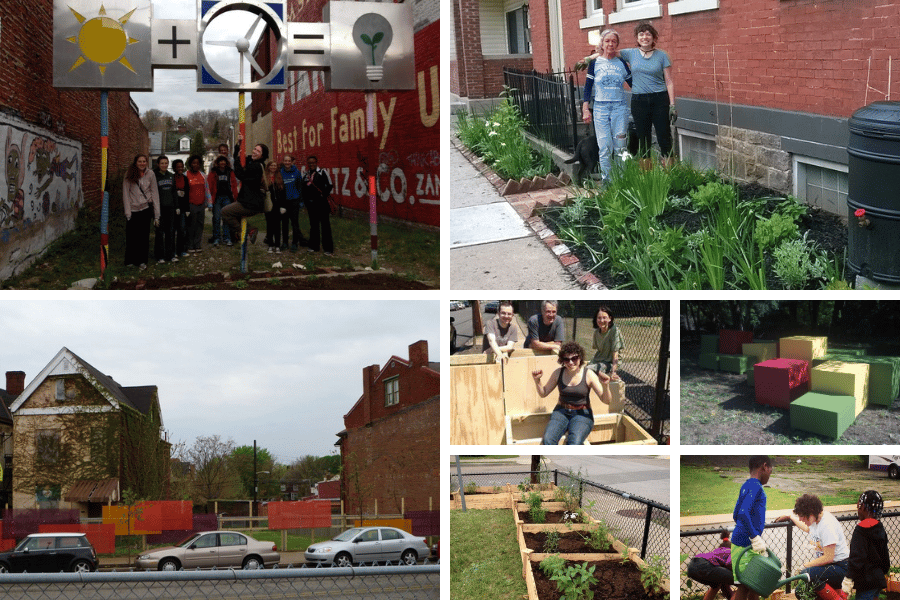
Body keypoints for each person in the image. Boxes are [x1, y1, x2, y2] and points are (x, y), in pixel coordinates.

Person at [617, 23, 676, 168]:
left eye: (648, 34)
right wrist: (589, 58)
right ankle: (647, 178)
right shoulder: (630, 53)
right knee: (643, 138)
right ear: (637, 38)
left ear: (653, 37)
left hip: (660, 100)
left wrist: (673, 105)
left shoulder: (662, 56)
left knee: (664, 137)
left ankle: (671, 175)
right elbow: (609, 51)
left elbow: (669, 81)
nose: (645, 37)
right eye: (641, 34)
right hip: (639, 101)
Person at [532, 341, 611, 445]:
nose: (570, 362)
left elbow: (606, 400)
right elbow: (544, 393)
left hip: (582, 414)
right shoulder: (558, 373)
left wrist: (606, 386)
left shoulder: (588, 374)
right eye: (566, 359)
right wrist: (537, 381)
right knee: (547, 440)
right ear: (562, 360)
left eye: (574, 358)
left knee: (574, 443)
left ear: (580, 358)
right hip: (561, 412)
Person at [774, 494, 850, 599]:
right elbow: (807, 528)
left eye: (803, 517)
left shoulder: (827, 525)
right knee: (800, 591)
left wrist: (806, 566)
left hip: (840, 566)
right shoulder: (815, 520)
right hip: (829, 566)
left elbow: (829, 557)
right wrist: (791, 517)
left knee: (808, 573)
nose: (801, 519)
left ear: (811, 513)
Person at [581, 29, 631, 184]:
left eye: (614, 41)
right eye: (607, 41)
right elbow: (588, 87)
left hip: (619, 108)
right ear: (601, 43)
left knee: (620, 147)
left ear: (617, 44)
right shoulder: (595, 63)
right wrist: (585, 109)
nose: (610, 44)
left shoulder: (621, 63)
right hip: (601, 109)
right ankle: (607, 182)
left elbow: (633, 82)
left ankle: (621, 181)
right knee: (605, 147)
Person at [731, 456, 773, 600]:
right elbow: (742, 513)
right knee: (746, 585)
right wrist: (754, 536)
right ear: (765, 466)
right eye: (770, 471)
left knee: (753, 584)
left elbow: (736, 514)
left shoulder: (746, 485)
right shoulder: (756, 486)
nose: (769, 475)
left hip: (741, 541)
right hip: (746, 544)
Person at [842, 490, 889, 600]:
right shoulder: (879, 527)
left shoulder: (861, 530)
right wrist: (884, 572)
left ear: (863, 507)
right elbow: (885, 555)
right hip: (878, 579)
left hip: (866, 582)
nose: (858, 509)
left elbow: (857, 558)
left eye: (858, 505)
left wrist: (848, 579)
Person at [222, 133, 267, 244]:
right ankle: (247, 231)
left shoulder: (256, 166)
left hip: (250, 203)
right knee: (234, 215)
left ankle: (248, 231)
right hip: (247, 201)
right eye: (255, 149)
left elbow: (240, 175)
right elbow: (236, 155)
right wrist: (239, 144)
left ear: (262, 155)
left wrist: (237, 161)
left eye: (258, 151)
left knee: (225, 212)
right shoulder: (252, 161)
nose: (255, 152)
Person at [122, 154, 160, 269]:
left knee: (143, 237)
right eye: (140, 161)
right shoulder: (129, 174)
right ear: (135, 162)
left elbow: (154, 193)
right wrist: (128, 213)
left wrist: (157, 214)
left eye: (144, 161)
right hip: (133, 210)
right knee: (132, 237)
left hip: (145, 210)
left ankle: (142, 261)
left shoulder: (151, 174)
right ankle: (130, 260)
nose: (142, 163)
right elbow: (126, 194)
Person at [686, 531, 734, 600]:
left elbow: (725, 587)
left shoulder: (716, 552)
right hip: (705, 565)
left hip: (692, 566)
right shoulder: (730, 551)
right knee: (742, 583)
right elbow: (729, 563)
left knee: (716, 585)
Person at [302, 155, 334, 255]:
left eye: (313, 162)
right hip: (311, 205)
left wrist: (322, 195)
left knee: (325, 225)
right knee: (313, 225)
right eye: (309, 163)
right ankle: (314, 246)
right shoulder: (306, 175)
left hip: (322, 204)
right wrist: (306, 201)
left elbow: (330, 185)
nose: (311, 164)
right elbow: (303, 188)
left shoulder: (323, 173)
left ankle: (328, 248)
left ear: (316, 162)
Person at [207, 155, 238, 246]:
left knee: (226, 218)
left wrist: (235, 197)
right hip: (216, 198)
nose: (222, 163)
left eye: (224, 161)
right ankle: (216, 238)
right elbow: (209, 185)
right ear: (217, 163)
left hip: (227, 197)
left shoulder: (230, 172)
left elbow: (234, 185)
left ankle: (227, 238)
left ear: (226, 163)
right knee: (216, 218)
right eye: (221, 161)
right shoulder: (213, 172)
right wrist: (209, 200)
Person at [587, 305, 624, 378]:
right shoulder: (596, 332)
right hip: (599, 360)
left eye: (604, 318)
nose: (601, 321)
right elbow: (598, 350)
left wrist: (613, 372)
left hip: (609, 363)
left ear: (610, 319)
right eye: (599, 318)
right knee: (580, 368)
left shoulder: (614, 331)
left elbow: (615, 353)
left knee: (587, 370)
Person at [153, 155, 178, 263]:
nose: (164, 165)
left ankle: (171, 255)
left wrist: (176, 206)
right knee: (159, 233)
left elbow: (174, 192)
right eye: (162, 163)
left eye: (166, 163)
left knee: (170, 232)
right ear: (158, 164)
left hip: (170, 208)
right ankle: (160, 256)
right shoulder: (154, 176)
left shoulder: (171, 176)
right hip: (159, 209)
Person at [184, 154, 211, 253]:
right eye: (194, 163)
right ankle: (190, 245)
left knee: (200, 225)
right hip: (191, 204)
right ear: (190, 164)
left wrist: (209, 203)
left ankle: (197, 245)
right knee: (191, 225)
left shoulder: (203, 176)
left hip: (201, 205)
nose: (196, 165)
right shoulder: (185, 175)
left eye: (198, 163)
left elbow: (207, 190)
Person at [280, 154, 307, 251]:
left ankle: (295, 243)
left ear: (291, 162)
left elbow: (300, 187)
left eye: (289, 161)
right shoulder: (281, 172)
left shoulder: (296, 172)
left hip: (294, 201)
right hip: (284, 202)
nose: (287, 163)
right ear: (283, 162)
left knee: (295, 223)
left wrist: (300, 201)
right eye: (285, 161)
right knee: (284, 223)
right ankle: (285, 243)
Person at [264, 160, 287, 253]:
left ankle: (277, 245)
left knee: (277, 225)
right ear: (268, 167)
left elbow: (283, 193)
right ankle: (270, 244)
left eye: (275, 166)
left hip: (278, 204)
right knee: (269, 225)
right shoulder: (265, 178)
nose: (273, 167)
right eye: (271, 166)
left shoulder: (279, 177)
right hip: (268, 204)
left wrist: (283, 206)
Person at [171, 159, 189, 258]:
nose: (180, 168)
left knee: (182, 230)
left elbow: (187, 194)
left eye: (181, 166)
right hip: (174, 208)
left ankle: (181, 250)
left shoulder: (185, 178)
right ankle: (173, 251)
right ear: (174, 168)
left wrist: (187, 209)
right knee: (173, 230)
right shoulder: (172, 178)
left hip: (183, 208)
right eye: (178, 166)